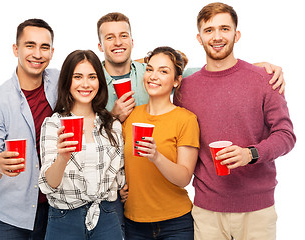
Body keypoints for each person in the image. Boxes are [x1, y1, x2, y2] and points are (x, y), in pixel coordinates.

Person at [174, 3, 296, 240]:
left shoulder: (264, 79)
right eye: (209, 30)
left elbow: (286, 135)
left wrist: (250, 154)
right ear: (199, 38)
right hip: (207, 211)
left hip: (258, 211)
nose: (217, 37)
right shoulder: (185, 88)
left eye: (224, 29)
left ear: (236, 34)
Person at [97, 12, 285, 123]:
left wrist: (252, 68)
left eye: (123, 36)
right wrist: (112, 116)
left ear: (131, 41)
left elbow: (208, 74)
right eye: (109, 37)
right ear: (100, 46)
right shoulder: (90, 80)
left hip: (147, 166)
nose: (118, 42)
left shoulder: (149, 73)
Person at [0, 19, 58, 239]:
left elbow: (94, 71)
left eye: (44, 47)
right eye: (30, 45)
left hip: (56, 211)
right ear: (16, 49)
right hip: (12, 218)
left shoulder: (60, 81)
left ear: (52, 52)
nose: (37, 54)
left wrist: (148, 63)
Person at [38, 50, 125, 240]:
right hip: (64, 219)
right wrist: (62, 157)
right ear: (67, 81)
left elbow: (119, 179)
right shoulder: (54, 124)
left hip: (107, 217)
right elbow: (48, 185)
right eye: (78, 76)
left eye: (92, 77)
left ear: (100, 82)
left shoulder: (112, 125)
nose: (85, 84)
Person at [122, 46, 199, 239]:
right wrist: (120, 188)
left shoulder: (186, 119)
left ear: (176, 81)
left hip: (176, 224)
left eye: (163, 71)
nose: (153, 76)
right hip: (133, 223)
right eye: (149, 69)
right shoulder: (130, 115)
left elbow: (184, 178)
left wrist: (156, 157)